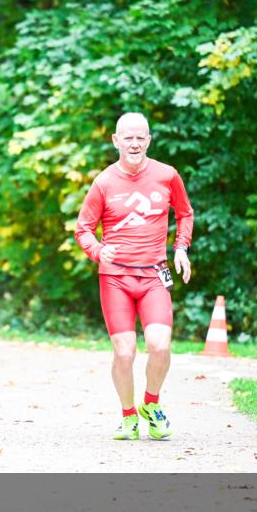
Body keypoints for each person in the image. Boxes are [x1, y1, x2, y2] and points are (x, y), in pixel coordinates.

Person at [74, 112, 194, 441]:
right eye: (128, 137)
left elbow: (185, 213)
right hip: (115, 278)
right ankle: (128, 416)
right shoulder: (104, 182)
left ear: (149, 141)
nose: (134, 143)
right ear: (116, 141)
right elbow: (83, 229)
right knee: (125, 352)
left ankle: (151, 405)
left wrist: (181, 248)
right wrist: (98, 251)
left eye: (141, 137)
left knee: (160, 346)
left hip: (154, 275)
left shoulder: (167, 176)